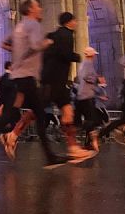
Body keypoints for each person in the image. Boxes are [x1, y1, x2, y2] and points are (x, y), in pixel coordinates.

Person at [0, 0, 65, 170]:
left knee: (11, 114)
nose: (41, 8)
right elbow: (36, 45)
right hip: (27, 77)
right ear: (30, 10)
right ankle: (49, 157)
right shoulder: (34, 25)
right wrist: (48, 42)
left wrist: (19, 52)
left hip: (19, 76)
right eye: (38, 6)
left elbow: (4, 43)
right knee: (39, 115)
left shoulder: (20, 26)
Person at [38, 12, 94, 160]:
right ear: (69, 22)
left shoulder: (52, 35)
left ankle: (73, 147)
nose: (76, 22)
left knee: (67, 113)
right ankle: (14, 133)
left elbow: (48, 55)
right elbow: (64, 54)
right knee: (37, 111)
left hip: (53, 81)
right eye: (74, 20)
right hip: (56, 81)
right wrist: (76, 56)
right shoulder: (67, 35)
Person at [75, 46, 102, 152]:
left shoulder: (83, 64)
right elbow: (86, 76)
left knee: (90, 119)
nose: (95, 56)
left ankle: (87, 142)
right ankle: (88, 138)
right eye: (94, 54)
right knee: (92, 120)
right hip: (87, 95)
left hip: (83, 95)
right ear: (91, 55)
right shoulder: (88, 64)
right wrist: (96, 79)